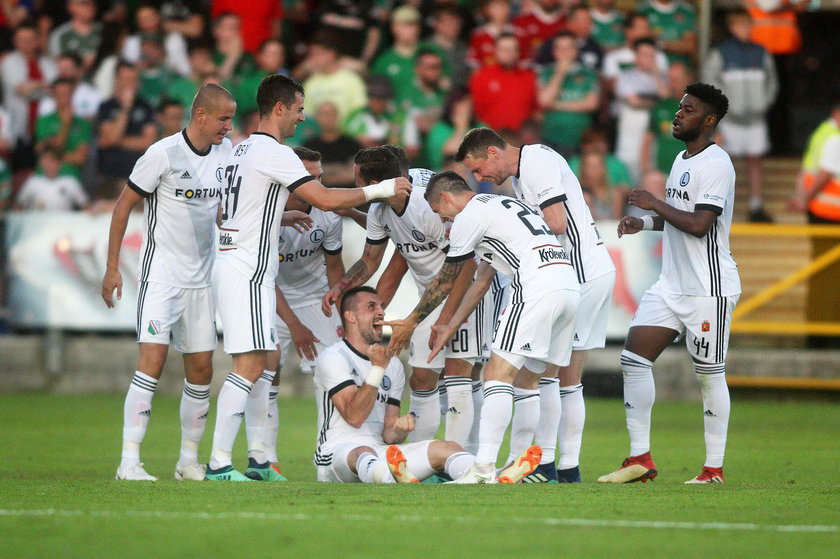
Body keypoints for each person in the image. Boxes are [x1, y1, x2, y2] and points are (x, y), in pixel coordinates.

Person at [205, 74, 410, 481]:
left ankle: (260, 459)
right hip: (247, 269)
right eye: (299, 109)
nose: (303, 117)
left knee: (262, 363)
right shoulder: (272, 151)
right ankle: (217, 464)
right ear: (279, 108)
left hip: (242, 266)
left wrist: (277, 215)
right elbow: (325, 199)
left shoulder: (237, 149)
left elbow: (225, 211)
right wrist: (382, 189)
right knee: (248, 365)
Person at [384, 170, 578, 483]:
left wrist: (411, 322)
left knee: (496, 376)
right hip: (567, 287)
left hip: (535, 288)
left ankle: (483, 468)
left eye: (439, 212)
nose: (443, 222)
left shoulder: (468, 217)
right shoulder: (500, 207)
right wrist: (449, 325)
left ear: (446, 197)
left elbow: (447, 277)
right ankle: (519, 463)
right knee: (531, 379)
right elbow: (482, 279)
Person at [453, 128, 615, 482]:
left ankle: (550, 465)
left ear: (493, 152)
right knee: (554, 377)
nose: (481, 179)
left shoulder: (536, 161)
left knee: (556, 378)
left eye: (479, 169)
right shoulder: (521, 177)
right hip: (583, 272)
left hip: (581, 272)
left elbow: (556, 223)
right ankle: (556, 466)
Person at [598, 82, 740, 485]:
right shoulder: (681, 159)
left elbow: (699, 225)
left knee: (709, 375)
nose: (678, 114)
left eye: (688, 109)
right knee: (633, 360)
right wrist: (644, 222)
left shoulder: (717, 164)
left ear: (709, 120)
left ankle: (713, 469)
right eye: (680, 107)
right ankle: (639, 458)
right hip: (670, 285)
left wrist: (652, 203)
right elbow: (679, 215)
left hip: (707, 288)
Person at [101, 84, 236, 481]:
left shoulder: (226, 154)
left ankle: (187, 462)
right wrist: (112, 268)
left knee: (201, 370)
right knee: (152, 364)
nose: (228, 127)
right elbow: (124, 204)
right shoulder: (162, 153)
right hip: (161, 278)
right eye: (223, 119)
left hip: (201, 282)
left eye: (231, 118)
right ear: (200, 115)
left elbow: (223, 211)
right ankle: (129, 461)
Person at [321, 147, 482, 447]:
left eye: (359, 182)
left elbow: (464, 266)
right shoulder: (381, 212)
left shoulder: (428, 208)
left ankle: (464, 460)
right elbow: (372, 261)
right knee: (421, 379)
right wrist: (341, 288)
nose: (357, 189)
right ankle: (425, 459)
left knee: (459, 375)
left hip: (467, 294)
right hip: (431, 298)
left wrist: (442, 319)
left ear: (375, 184)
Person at [314, 286, 537, 484]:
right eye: (371, 307)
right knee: (363, 452)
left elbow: (390, 436)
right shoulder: (333, 358)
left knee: (446, 448)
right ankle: (387, 477)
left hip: (382, 452)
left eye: (381, 307)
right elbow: (354, 416)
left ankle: (491, 475)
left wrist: (399, 429)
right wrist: (377, 369)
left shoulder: (392, 366)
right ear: (350, 317)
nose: (381, 312)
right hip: (336, 455)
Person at [257, 146, 345, 465]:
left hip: (315, 298)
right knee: (267, 369)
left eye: (321, 178)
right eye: (311, 178)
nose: (318, 185)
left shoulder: (328, 214)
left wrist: (340, 303)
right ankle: (265, 459)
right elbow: (264, 276)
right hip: (271, 295)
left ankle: (330, 451)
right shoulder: (266, 213)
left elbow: (334, 264)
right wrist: (294, 325)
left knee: (335, 372)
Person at [702, 9, 778, 222]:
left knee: (755, 160)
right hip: (730, 119)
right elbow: (709, 83)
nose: (746, 30)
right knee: (726, 161)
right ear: (732, 27)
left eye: (748, 25)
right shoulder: (721, 52)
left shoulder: (761, 52)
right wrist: (722, 109)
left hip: (756, 118)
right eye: (741, 25)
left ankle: (756, 206)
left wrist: (764, 103)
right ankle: (721, 205)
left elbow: (772, 81)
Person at [789, 101, 840, 348]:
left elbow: (809, 168)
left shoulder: (824, 133)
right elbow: (824, 173)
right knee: (827, 275)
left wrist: (802, 199)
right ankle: (821, 334)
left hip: (824, 212)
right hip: (829, 214)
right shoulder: (834, 138)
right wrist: (803, 199)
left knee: (826, 275)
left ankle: (821, 332)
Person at [469, 33, 538, 133]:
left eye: (511, 49)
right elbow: (475, 112)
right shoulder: (481, 77)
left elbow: (535, 111)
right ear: (495, 51)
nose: (507, 53)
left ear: (518, 52)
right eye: (503, 49)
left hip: (521, 140)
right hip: (490, 140)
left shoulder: (529, 77)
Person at [15, 146, 88, 211]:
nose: (49, 164)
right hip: (38, 224)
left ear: (60, 163)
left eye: (53, 160)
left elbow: (85, 206)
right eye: (46, 160)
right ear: (41, 163)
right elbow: (18, 207)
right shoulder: (32, 182)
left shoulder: (71, 182)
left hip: (63, 225)